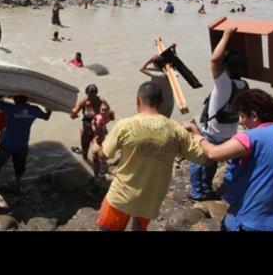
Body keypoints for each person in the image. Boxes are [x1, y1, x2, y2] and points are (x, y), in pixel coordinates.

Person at [184, 89, 273, 231]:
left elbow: (213, 153)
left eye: (242, 116)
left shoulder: (251, 137)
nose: (242, 122)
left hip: (247, 223)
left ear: (253, 116)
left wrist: (197, 135)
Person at [89, 82, 210, 231]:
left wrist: (96, 148)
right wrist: (196, 131)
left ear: (137, 100)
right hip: (150, 200)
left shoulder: (125, 125)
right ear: (161, 102)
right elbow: (205, 158)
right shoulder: (177, 130)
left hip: (121, 197)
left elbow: (103, 156)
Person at [184, 26, 249, 202]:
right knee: (212, 160)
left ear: (226, 66)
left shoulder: (224, 83)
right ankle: (206, 187)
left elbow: (214, 60)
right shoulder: (244, 85)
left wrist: (227, 35)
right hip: (229, 133)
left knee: (198, 159)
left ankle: (198, 192)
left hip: (212, 132)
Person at [0, 95, 52, 194]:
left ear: (15, 99)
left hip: (7, 144)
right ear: (26, 98)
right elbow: (46, 117)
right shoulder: (34, 109)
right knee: (19, 168)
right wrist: (49, 109)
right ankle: (17, 187)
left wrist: (5, 93)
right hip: (22, 146)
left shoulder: (10, 107)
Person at [70, 84, 113, 163]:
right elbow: (73, 114)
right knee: (85, 150)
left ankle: (97, 172)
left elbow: (111, 115)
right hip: (87, 127)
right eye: (90, 96)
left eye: (93, 96)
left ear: (96, 94)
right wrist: (73, 115)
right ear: (86, 94)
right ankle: (85, 161)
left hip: (98, 130)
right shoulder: (83, 101)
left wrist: (104, 122)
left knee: (96, 152)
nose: (91, 98)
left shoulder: (101, 101)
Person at [139, 53, 175, 118]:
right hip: (169, 101)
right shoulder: (169, 73)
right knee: (165, 119)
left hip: (161, 103)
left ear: (155, 65)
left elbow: (142, 69)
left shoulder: (157, 75)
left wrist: (149, 61)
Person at [90, 101, 113, 178]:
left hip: (102, 136)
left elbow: (111, 118)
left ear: (108, 110)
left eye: (105, 110)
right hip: (97, 138)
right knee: (96, 155)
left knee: (102, 152)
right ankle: (96, 174)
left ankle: (100, 167)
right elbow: (94, 124)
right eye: (102, 110)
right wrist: (95, 139)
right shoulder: (99, 119)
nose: (103, 112)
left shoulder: (108, 115)